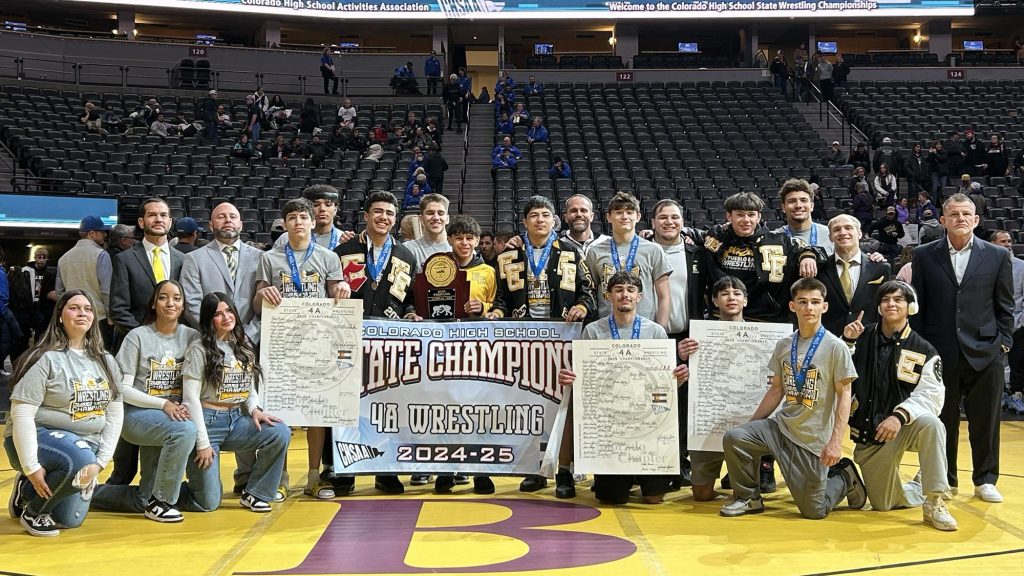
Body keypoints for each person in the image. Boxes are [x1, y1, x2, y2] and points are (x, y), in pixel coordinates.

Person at [720, 278, 865, 519]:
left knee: (814, 511)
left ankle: (843, 476)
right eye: (803, 302)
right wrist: (751, 425)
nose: (809, 307)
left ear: (824, 307)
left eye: (815, 302)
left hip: (812, 438)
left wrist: (835, 442)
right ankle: (748, 498)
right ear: (792, 306)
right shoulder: (784, 344)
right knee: (735, 438)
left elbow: (845, 396)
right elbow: (776, 390)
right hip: (782, 426)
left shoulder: (835, 347)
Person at [485, 196, 595, 496]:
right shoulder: (507, 257)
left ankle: (564, 470)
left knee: (564, 408)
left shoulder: (571, 252)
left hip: (563, 340)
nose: (540, 220)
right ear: (524, 222)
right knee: (528, 406)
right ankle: (534, 469)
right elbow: (500, 298)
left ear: (554, 221)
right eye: (533, 215)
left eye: (545, 215)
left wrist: (583, 308)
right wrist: (495, 311)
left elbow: (589, 292)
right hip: (523, 341)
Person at [911, 193, 1014, 503]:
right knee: (943, 421)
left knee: (986, 419)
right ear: (943, 220)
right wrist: (922, 351)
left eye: (966, 213)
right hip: (940, 352)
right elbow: (920, 305)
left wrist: (1004, 345)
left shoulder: (997, 255)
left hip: (986, 350)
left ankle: (985, 479)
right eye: (953, 214)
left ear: (976, 220)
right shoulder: (924, 255)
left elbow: (1005, 306)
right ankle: (947, 479)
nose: (960, 218)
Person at [556, 271, 689, 505]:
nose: (624, 295)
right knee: (612, 499)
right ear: (608, 296)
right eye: (618, 290)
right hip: (610, 424)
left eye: (630, 290)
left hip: (647, 421)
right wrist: (571, 379)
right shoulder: (593, 332)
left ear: (640, 296)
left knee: (654, 499)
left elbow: (663, 385)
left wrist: (676, 381)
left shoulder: (655, 332)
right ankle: (620, 476)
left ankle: (644, 475)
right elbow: (586, 381)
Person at [5, 291, 123, 536]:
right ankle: (34, 512)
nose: (82, 313)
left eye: (88, 309)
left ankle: (26, 492)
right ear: (59, 316)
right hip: (39, 436)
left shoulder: (107, 362)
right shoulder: (44, 358)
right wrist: (31, 466)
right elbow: (22, 415)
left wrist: (101, 461)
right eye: (74, 308)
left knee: (70, 519)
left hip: (85, 446)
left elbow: (114, 414)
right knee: (79, 461)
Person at [255, 198, 350, 501]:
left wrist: (342, 289)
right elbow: (257, 305)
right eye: (292, 217)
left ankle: (313, 477)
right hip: (281, 343)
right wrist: (263, 294)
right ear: (285, 224)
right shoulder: (269, 259)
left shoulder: (328, 256)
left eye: (303, 217)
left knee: (316, 412)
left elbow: (336, 293)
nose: (298, 222)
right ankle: (280, 478)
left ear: (312, 223)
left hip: (317, 343)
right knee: (280, 412)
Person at [843, 280, 957, 531]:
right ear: (879, 306)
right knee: (884, 504)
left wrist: (899, 416)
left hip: (903, 427)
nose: (891, 304)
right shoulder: (861, 338)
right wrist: (847, 342)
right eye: (886, 299)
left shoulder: (924, 350)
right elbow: (840, 372)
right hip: (870, 435)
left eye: (898, 299)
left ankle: (935, 500)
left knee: (932, 425)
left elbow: (932, 395)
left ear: (910, 307)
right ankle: (918, 486)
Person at [334, 191, 420, 496]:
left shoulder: (406, 255)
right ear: (366, 215)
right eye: (378, 212)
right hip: (349, 337)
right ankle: (344, 472)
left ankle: (387, 470)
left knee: (387, 406)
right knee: (347, 406)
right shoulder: (344, 250)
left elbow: (410, 298)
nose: (384, 217)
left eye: (389, 213)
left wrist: (411, 313)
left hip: (390, 340)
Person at [91, 280, 198, 523]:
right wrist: (164, 405)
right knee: (184, 430)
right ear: (153, 302)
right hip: (138, 415)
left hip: (172, 417)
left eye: (176, 298)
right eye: (163, 297)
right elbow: (122, 389)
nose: (170, 303)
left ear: (183, 305)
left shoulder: (193, 337)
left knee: (143, 497)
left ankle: (81, 491)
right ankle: (162, 503)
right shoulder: (137, 336)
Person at [177, 293, 290, 513]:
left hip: (236, 420)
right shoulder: (199, 349)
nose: (226, 317)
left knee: (279, 432)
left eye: (229, 311)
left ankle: (256, 493)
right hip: (207, 424)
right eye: (218, 314)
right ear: (209, 320)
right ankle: (161, 491)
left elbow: (248, 388)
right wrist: (202, 443)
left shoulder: (243, 345)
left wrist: (254, 409)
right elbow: (190, 399)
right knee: (208, 503)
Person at [108, 198, 183, 484]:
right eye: (152, 215)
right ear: (141, 222)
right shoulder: (125, 259)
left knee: (169, 407)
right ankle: (121, 477)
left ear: (170, 221)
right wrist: (146, 337)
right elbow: (118, 308)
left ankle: (161, 479)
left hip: (173, 348)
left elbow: (183, 306)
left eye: (164, 215)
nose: (158, 219)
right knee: (130, 408)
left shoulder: (182, 260)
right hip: (133, 346)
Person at [431, 215, 498, 495]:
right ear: (450, 239)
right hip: (442, 348)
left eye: (470, 238)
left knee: (477, 409)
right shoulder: (436, 267)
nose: (464, 243)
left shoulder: (488, 271)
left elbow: (499, 305)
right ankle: (446, 469)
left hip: (478, 348)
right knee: (445, 408)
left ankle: (480, 470)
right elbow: (422, 300)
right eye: (458, 237)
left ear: (476, 241)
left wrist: (484, 309)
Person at [695, 192, 823, 324]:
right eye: (740, 214)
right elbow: (691, 234)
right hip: (722, 317)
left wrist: (807, 257)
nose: (746, 220)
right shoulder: (716, 238)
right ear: (729, 216)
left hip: (766, 319)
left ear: (759, 217)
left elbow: (811, 250)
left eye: (751, 215)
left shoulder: (778, 241)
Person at [677, 276, 749, 500]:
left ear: (745, 301)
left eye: (737, 294)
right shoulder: (698, 337)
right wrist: (681, 356)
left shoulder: (763, 338)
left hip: (744, 419)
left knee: (744, 493)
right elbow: (681, 374)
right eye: (725, 294)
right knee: (701, 494)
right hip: (708, 419)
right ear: (715, 301)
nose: (731, 298)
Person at [586, 192, 671, 329]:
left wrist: (660, 332)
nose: (624, 217)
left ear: (638, 217)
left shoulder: (653, 250)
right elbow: (592, 291)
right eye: (619, 212)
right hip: (606, 328)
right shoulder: (595, 251)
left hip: (644, 329)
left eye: (630, 212)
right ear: (609, 217)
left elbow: (664, 297)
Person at [818, 214, 892, 336]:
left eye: (848, 228)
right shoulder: (820, 269)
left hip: (869, 340)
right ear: (830, 237)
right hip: (830, 340)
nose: (843, 232)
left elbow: (886, 308)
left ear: (859, 234)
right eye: (836, 229)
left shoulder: (880, 268)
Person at [56, 216, 113, 349]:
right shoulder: (101, 255)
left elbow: (60, 292)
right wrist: (110, 315)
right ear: (92, 233)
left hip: (71, 319)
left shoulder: (64, 258)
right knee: (99, 358)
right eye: (102, 231)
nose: (105, 234)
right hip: (97, 318)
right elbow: (106, 290)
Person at [990, 230, 1024, 414]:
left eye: (1009, 241)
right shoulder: (986, 266)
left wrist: (1020, 322)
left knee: (1017, 362)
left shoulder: (1022, 266)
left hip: (1018, 324)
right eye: (1003, 241)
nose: (1008, 244)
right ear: (993, 244)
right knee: (997, 362)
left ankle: (1016, 394)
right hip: (993, 324)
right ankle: (1000, 393)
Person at [774, 179, 834, 255]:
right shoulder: (774, 238)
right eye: (792, 201)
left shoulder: (830, 235)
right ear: (783, 207)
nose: (798, 205)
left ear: (812, 206)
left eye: (803, 200)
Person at [404, 194, 451, 275]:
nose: (436, 217)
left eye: (440, 213)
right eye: (430, 213)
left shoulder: (460, 248)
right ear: (421, 219)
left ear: (447, 219)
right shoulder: (409, 249)